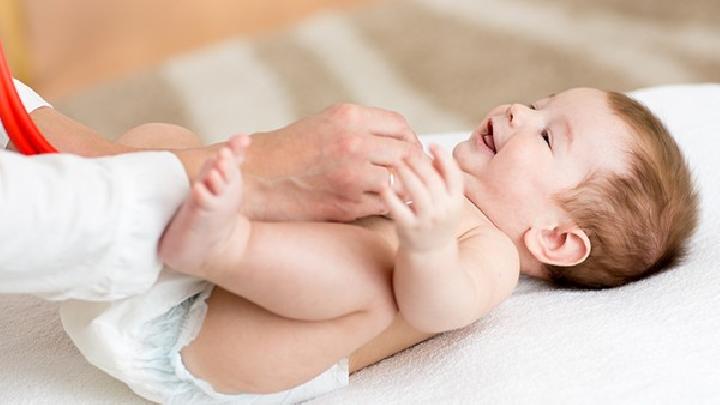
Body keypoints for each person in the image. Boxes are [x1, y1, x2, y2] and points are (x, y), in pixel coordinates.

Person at [61, 87, 699, 403]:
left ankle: (217, 241)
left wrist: (425, 244)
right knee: (164, 134)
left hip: (206, 343)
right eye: (537, 104)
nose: (517, 114)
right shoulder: (426, 169)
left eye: (547, 137)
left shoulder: (488, 250)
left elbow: (439, 307)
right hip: (144, 272)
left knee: (371, 280)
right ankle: (88, 178)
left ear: (555, 239)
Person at [0, 79, 420, 299]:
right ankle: (225, 247)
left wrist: (99, 156)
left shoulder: (485, 235)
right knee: (363, 291)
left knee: (161, 133)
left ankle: (218, 236)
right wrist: (260, 172)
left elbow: (452, 305)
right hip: (182, 305)